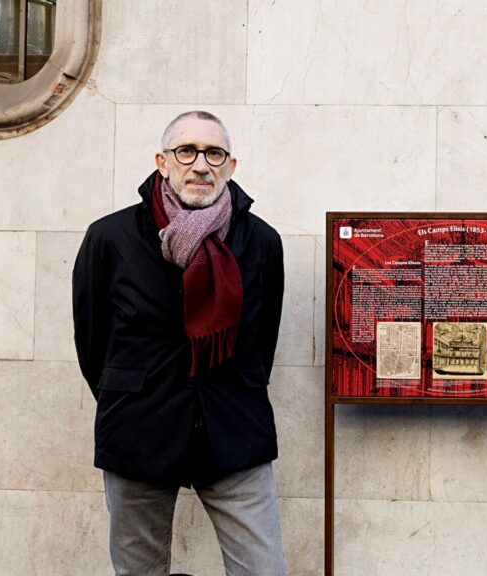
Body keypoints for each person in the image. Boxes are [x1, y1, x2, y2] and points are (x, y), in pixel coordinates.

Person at [73, 111, 287, 575]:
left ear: (231, 166)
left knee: (263, 568)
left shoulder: (262, 241)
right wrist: (131, 393)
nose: (200, 165)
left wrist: (235, 390)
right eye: (186, 151)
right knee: (139, 570)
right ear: (162, 161)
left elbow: (261, 342)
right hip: (139, 431)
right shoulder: (110, 237)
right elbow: (93, 343)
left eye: (214, 153)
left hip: (234, 429)